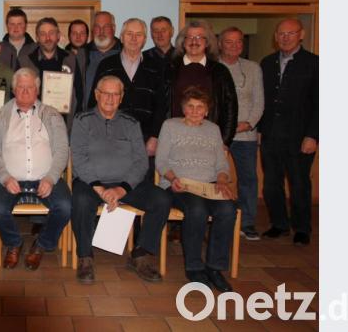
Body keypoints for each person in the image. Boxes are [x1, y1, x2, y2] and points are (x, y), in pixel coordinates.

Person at [71, 75, 171, 284]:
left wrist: (121, 190)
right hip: (91, 183)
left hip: (126, 184)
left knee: (161, 199)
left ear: (122, 97)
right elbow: (79, 160)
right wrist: (100, 189)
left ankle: (140, 255)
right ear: (97, 95)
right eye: (106, 93)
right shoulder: (82, 120)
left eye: (115, 94)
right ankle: (85, 257)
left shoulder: (131, 123)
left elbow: (141, 162)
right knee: (80, 201)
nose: (110, 98)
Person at [0, 68, 71, 271]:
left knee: (65, 206)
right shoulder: (0, 116)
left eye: (30, 87)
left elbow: (61, 151)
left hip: (45, 177)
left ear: (37, 90)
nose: (25, 91)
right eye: (21, 87)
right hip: (10, 178)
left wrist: (51, 178)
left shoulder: (52, 115)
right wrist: (5, 177)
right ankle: (15, 243)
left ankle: (41, 245)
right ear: (14, 90)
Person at [155, 87, 237, 293]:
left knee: (228, 209)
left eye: (200, 107)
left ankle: (215, 268)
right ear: (183, 108)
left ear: (207, 110)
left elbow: (221, 164)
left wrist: (222, 180)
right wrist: (173, 178)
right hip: (180, 185)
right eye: (190, 106)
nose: (194, 111)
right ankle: (194, 267)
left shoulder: (213, 129)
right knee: (197, 210)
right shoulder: (170, 126)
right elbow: (161, 161)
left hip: (209, 185)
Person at [258, 18, 318, 246]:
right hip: (271, 135)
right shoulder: (267, 63)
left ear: (301, 35)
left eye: (290, 33)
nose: (285, 37)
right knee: (272, 183)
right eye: (281, 33)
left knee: (299, 183)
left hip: (300, 137)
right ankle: (279, 224)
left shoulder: (314, 64)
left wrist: (313, 135)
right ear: (276, 36)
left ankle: (302, 228)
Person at [89, 18, 167, 182]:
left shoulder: (156, 67)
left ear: (145, 39)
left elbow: (162, 106)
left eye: (138, 35)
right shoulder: (107, 64)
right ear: (122, 37)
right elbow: (93, 101)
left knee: (141, 189)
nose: (133, 38)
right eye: (129, 34)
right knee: (111, 186)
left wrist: (155, 137)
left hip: (144, 140)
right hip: (110, 138)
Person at [218, 27, 264, 241]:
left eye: (238, 42)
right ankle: (218, 219)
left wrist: (248, 124)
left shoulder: (252, 68)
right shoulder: (213, 67)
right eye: (229, 42)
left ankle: (247, 222)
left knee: (248, 179)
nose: (234, 46)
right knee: (214, 178)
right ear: (220, 44)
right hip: (217, 136)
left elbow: (259, 102)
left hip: (245, 134)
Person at [166, 20, 237, 145]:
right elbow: (160, 106)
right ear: (183, 42)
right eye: (190, 37)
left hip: (209, 139)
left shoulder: (220, 71)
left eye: (199, 37)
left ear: (207, 42)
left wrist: (225, 142)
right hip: (175, 138)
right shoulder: (169, 69)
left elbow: (230, 109)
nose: (194, 41)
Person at [18, 17, 83, 124]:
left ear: (58, 36)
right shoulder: (25, 60)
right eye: (43, 34)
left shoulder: (70, 59)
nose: (47, 38)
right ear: (37, 37)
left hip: (64, 123)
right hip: (33, 123)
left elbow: (79, 93)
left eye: (51, 33)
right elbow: (17, 93)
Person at [82, 11, 123, 108]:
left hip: (119, 119)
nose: (101, 31)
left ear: (114, 28)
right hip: (87, 118)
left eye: (106, 27)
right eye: (97, 27)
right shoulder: (82, 54)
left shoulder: (125, 53)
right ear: (92, 30)